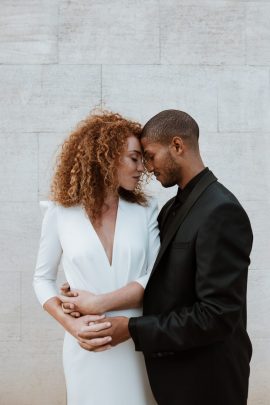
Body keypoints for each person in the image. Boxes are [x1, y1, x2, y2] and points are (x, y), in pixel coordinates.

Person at [75, 110, 253, 405]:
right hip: (176, 378)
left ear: (178, 146)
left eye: (150, 155)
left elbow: (217, 315)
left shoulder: (222, 211)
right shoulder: (171, 208)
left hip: (209, 381)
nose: (146, 167)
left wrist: (132, 329)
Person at [33, 111, 160, 405]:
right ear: (107, 157)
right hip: (86, 344)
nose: (142, 168)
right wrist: (71, 325)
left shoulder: (146, 211)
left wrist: (98, 303)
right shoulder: (60, 213)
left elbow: (155, 277)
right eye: (134, 158)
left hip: (135, 339)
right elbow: (42, 279)